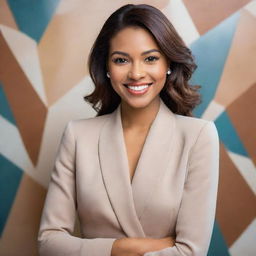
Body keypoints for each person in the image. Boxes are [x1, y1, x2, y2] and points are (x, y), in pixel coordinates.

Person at [38, 4, 219, 256]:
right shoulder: (78, 136)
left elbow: (191, 252)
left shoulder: (198, 136)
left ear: (168, 63)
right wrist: (121, 249)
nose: (136, 73)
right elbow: (48, 243)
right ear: (107, 68)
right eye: (121, 60)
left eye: (150, 58)